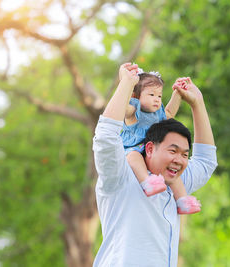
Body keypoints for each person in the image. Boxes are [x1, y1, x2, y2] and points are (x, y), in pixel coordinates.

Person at [92, 62, 217, 266]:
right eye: (173, 151)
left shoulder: (176, 181)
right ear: (150, 148)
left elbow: (206, 161)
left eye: (185, 155)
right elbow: (106, 138)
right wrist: (126, 84)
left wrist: (197, 104)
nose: (179, 160)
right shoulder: (120, 175)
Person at [120, 64, 201, 214]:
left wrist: (178, 93)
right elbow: (123, 107)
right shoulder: (133, 110)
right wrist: (125, 83)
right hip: (135, 148)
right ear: (135, 96)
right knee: (133, 156)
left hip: (154, 152)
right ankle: (147, 182)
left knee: (172, 171)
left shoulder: (158, 112)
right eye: (151, 95)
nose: (157, 99)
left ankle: (182, 200)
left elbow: (169, 112)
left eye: (159, 96)